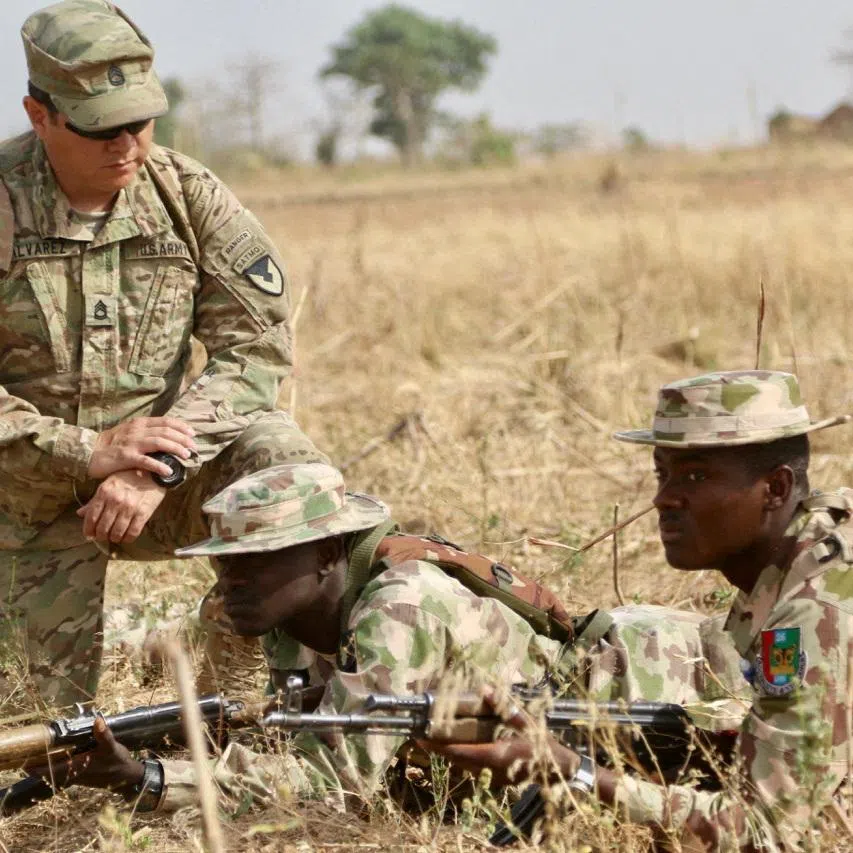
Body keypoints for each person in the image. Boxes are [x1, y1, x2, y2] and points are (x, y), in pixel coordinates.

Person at [24, 461, 747, 816]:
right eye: (222, 561)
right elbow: (199, 675)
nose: (230, 580)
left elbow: (336, 783)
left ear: (327, 554)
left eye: (256, 561)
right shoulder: (281, 610)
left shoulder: (399, 606)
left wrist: (144, 778)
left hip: (681, 682)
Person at [0, 0, 326, 713]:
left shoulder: (188, 195)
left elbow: (255, 346)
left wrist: (157, 468)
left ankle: (259, 687)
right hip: (19, 495)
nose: (127, 145)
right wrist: (85, 450)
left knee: (284, 465)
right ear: (40, 114)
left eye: (140, 121)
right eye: (99, 127)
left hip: (157, 478)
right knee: (40, 739)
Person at [431, 370, 853, 852]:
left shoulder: (815, 609)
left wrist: (581, 774)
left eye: (696, 476)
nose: (663, 498)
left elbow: (769, 832)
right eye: (662, 472)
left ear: (776, 489)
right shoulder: (807, 554)